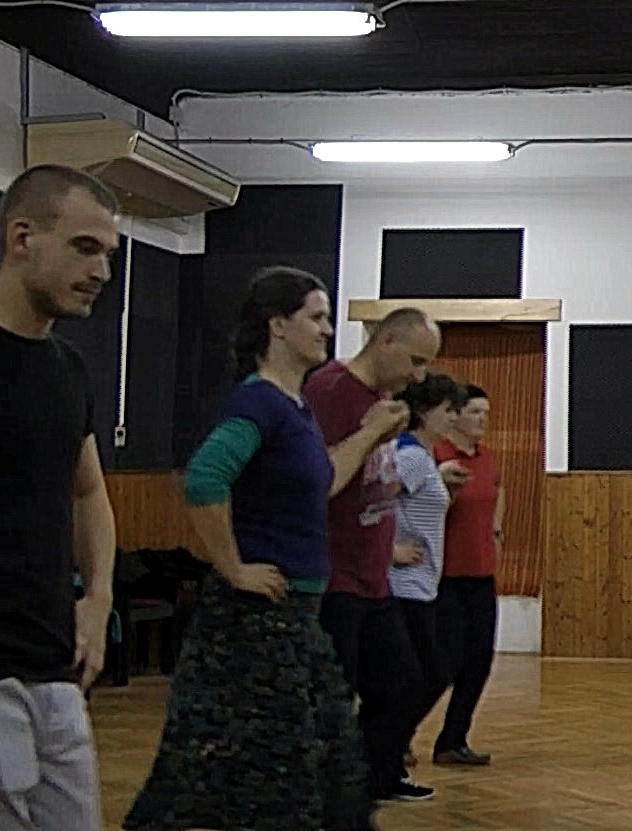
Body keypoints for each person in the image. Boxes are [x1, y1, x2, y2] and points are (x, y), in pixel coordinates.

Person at [124, 267, 384, 831]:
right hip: (256, 617)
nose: (327, 329)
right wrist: (234, 568)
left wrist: (368, 434)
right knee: (272, 767)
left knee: (323, 756)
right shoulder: (259, 403)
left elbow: (323, 480)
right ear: (277, 325)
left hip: (295, 612)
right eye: (316, 317)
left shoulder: (295, 407)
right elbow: (204, 478)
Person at [0, 165, 120, 830]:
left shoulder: (68, 369)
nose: (101, 272)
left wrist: (99, 598)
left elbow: (88, 491)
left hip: (54, 663)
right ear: (22, 237)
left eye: (108, 255)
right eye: (85, 248)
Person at [303, 307, 443, 803]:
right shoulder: (330, 390)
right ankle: (330, 792)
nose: (419, 376)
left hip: (372, 579)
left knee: (404, 685)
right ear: (385, 342)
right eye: (415, 361)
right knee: (334, 696)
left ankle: (368, 781)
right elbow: (317, 480)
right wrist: (368, 434)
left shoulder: (383, 397)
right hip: (334, 576)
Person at [388, 370, 464, 765]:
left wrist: (439, 479)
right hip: (403, 583)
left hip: (420, 583)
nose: (454, 417)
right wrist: (388, 550)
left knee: (421, 674)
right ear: (423, 411)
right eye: (448, 410)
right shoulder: (412, 458)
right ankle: (385, 743)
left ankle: (392, 744)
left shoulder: (423, 458)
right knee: (429, 673)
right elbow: (366, 502)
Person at [430, 384, 505, 766]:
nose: (482, 420)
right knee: (440, 664)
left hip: (480, 573)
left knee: (479, 661)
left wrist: (496, 532)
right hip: (444, 576)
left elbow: (497, 492)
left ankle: (452, 740)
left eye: (486, 413)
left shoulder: (487, 459)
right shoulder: (437, 455)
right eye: (475, 412)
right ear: (454, 415)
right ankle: (395, 736)